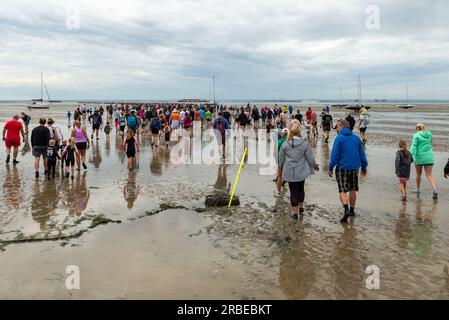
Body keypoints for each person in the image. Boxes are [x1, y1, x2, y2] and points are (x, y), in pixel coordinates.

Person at [329, 119, 368, 223]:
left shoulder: (339, 138)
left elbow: (335, 154)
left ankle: (346, 210)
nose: (336, 129)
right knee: (352, 189)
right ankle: (352, 211)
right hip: (355, 168)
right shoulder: (356, 138)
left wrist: (330, 167)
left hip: (342, 167)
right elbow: (362, 155)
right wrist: (364, 167)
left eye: (337, 127)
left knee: (342, 190)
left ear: (342, 126)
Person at [278, 126, 319, 219]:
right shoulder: (305, 143)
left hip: (290, 171)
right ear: (299, 133)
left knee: (293, 192)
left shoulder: (285, 143)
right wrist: (315, 165)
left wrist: (280, 168)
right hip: (301, 171)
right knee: (301, 189)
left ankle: (295, 212)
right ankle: (301, 207)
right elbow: (310, 158)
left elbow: (281, 158)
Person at [410, 124, 438, 198]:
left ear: (417, 129)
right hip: (429, 156)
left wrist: (409, 155)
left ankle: (418, 189)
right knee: (429, 174)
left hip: (419, 157)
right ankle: (435, 189)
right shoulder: (429, 134)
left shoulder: (416, 135)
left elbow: (413, 147)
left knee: (418, 174)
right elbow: (430, 143)